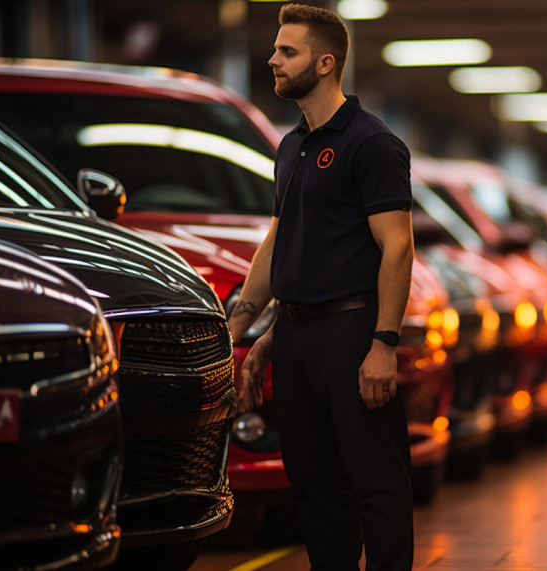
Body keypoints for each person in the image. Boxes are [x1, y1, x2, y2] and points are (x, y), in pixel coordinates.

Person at [227, 3, 415, 570]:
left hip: (352, 333)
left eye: (288, 51)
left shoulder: (370, 143)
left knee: (375, 484)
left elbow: (398, 247)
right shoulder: (291, 147)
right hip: (297, 337)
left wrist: (384, 343)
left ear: (326, 63)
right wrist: (245, 326)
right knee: (312, 484)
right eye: (275, 49)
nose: (273, 60)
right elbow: (280, 243)